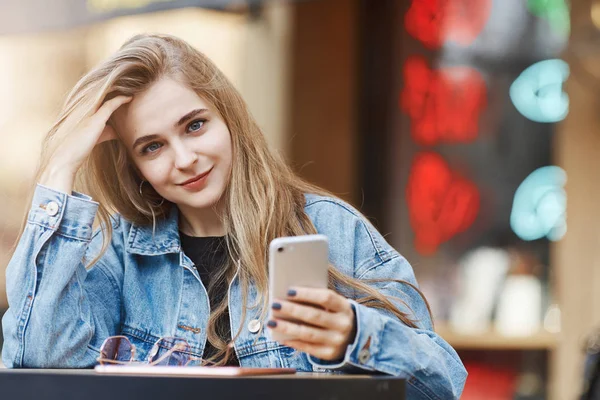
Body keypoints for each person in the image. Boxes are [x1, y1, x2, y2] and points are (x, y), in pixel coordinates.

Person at [1, 34, 466, 398]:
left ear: (229, 117)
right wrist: (59, 167)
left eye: (195, 125)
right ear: (134, 165)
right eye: (153, 146)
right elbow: (38, 363)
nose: (184, 158)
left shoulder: (331, 227)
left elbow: (442, 382)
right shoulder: (118, 256)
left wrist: (356, 336)